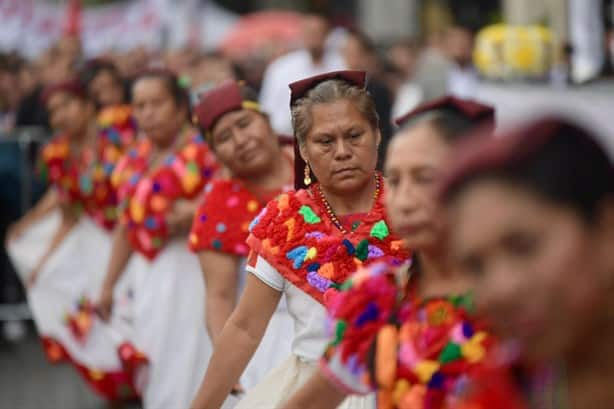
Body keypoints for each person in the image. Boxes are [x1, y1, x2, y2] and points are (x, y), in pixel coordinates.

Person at [282, 97, 524, 409]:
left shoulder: (517, 299)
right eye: (395, 180)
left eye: (425, 179)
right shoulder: (379, 300)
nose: (405, 201)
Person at [190, 70, 409, 409]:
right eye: (325, 141)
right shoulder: (283, 222)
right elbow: (245, 327)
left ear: (377, 135)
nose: (342, 152)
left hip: (405, 387)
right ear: (303, 149)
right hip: (312, 393)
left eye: (354, 135)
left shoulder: (411, 210)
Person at [440, 117, 614, 408]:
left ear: (606, 230)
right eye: (475, 267)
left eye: (524, 247)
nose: (501, 290)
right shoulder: (505, 391)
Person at [6, 78, 141, 400]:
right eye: (53, 111)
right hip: (97, 242)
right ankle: (124, 386)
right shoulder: (57, 153)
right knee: (105, 313)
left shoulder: (118, 128)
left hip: (139, 233)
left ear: (85, 104)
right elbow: (68, 214)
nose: (60, 116)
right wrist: (39, 256)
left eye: (66, 105)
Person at [97, 68, 219, 409]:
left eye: (157, 103)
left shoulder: (206, 151)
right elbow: (126, 224)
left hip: (195, 271)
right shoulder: (133, 158)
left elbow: (232, 200)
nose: (147, 113)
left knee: (190, 359)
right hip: (147, 275)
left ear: (181, 108)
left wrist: (198, 210)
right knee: (155, 360)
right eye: (140, 105)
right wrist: (107, 284)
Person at [189, 80, 294, 391]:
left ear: (265, 118)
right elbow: (219, 296)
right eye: (224, 137)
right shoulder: (219, 205)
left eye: (244, 124)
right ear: (215, 152)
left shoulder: (313, 163)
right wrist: (228, 366)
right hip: (268, 341)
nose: (240, 140)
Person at [259, 13, 346, 135]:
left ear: (327, 34)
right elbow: (267, 109)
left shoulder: (342, 65)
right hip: (288, 137)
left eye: (318, 32)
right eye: (309, 32)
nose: (314, 37)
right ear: (302, 33)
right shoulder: (280, 68)